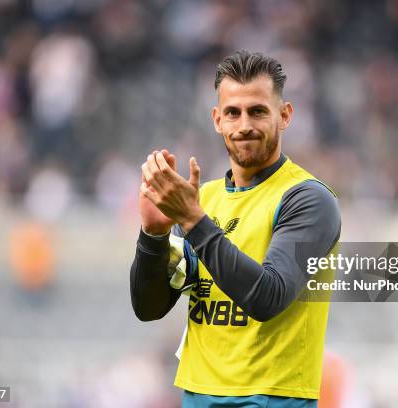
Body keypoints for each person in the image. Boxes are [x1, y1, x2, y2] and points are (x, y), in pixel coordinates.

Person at [130, 50, 341, 408]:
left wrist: (193, 220)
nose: (244, 124)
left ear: (284, 115)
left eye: (258, 111)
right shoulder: (202, 198)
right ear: (217, 119)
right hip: (198, 396)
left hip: (272, 400)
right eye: (233, 112)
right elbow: (149, 308)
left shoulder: (307, 199)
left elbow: (267, 297)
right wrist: (153, 235)